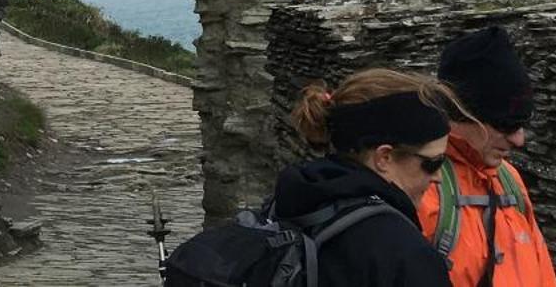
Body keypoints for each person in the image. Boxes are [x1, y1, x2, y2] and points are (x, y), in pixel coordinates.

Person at [164, 68, 454, 286]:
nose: (440, 177)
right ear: (384, 157)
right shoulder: (402, 254)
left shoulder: (289, 204)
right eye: (433, 163)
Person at [418, 26, 556, 287]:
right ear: (460, 114)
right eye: (505, 125)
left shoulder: (508, 178)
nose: (519, 140)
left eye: (522, 124)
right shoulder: (420, 187)